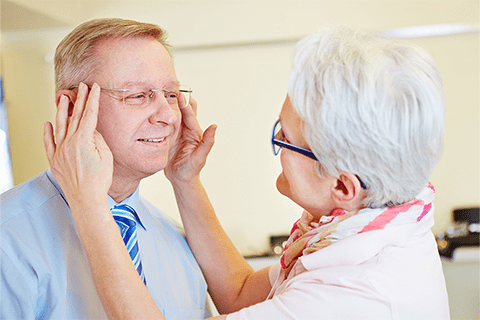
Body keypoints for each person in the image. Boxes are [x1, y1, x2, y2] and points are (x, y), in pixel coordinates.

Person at [43, 25, 450, 319]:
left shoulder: (357, 294)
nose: (167, 115)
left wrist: (89, 203)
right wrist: (185, 179)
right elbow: (241, 296)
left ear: (343, 185)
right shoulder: (366, 222)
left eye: (284, 138)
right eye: (137, 95)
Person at [0, 18, 213, 319]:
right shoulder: (7, 240)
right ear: (72, 108)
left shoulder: (182, 243)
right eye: (138, 95)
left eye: (172, 95)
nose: (167, 115)